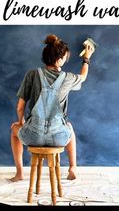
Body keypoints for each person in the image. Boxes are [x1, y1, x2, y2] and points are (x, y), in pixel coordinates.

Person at [10, 34, 95, 182]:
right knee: (69, 126)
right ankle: (73, 167)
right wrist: (86, 58)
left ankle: (19, 174)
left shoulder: (32, 74)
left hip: (33, 136)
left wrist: (21, 123)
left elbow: (20, 107)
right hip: (58, 138)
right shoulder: (67, 78)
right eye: (65, 57)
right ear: (59, 59)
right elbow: (83, 76)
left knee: (14, 130)